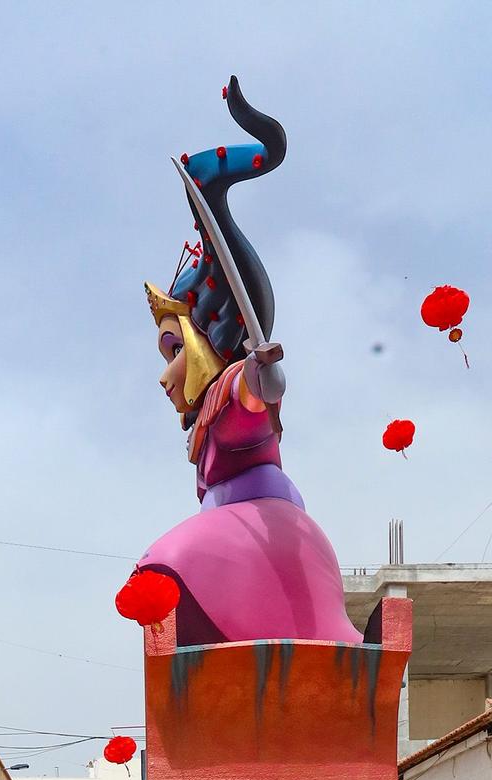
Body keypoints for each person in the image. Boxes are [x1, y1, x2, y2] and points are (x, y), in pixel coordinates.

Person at [133, 77, 360, 648]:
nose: (164, 376)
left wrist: (263, 374)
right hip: (242, 531)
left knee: (174, 555)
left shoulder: (231, 387)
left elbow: (258, 397)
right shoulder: (203, 418)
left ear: (204, 340)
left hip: (265, 532)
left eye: (172, 350)